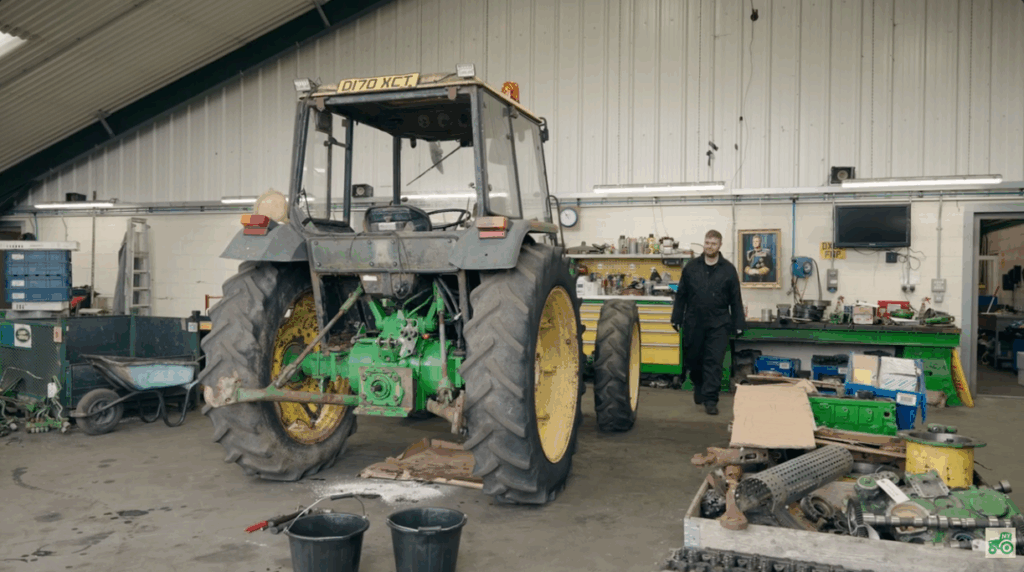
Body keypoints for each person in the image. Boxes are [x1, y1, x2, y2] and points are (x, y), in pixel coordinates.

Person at [671, 229, 746, 415]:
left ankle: (711, 399)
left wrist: (739, 324)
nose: (709, 246)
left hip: (719, 323)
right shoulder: (691, 268)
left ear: (720, 245)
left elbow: (736, 299)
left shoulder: (728, 270)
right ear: (703, 243)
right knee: (694, 359)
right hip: (694, 321)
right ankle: (698, 385)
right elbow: (681, 294)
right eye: (707, 243)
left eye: (713, 243)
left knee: (714, 361)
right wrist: (676, 317)